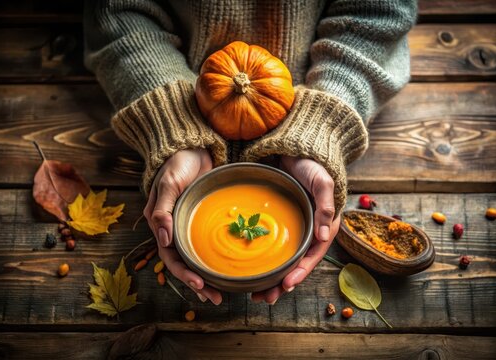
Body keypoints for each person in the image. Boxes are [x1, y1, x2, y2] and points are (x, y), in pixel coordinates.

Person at [84, 0, 416, 305]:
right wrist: (175, 121)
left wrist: (319, 128)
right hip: (184, 91)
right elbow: (114, 12)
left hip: (317, 89)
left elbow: (378, 12)